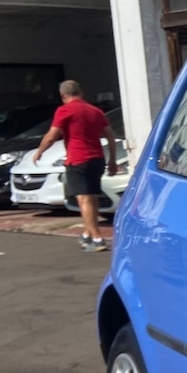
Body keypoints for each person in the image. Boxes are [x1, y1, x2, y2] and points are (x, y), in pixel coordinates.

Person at [33, 80, 118, 252]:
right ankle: (87, 234)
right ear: (81, 93)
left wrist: (39, 151)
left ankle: (97, 238)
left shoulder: (64, 110)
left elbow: (51, 136)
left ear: (63, 95)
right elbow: (110, 135)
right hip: (97, 158)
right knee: (92, 197)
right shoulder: (95, 111)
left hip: (78, 159)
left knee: (83, 199)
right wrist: (112, 159)